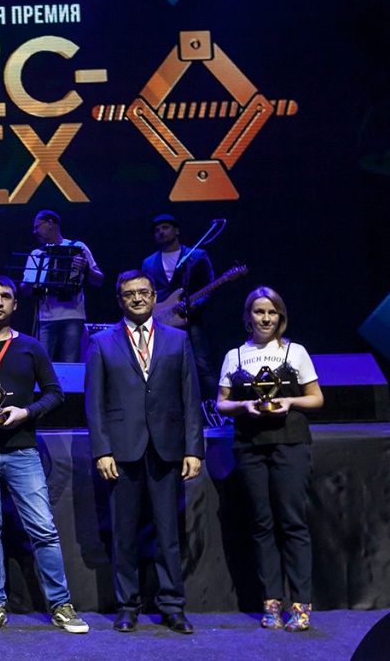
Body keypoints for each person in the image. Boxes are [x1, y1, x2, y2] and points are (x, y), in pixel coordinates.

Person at [0, 275, 89, 634]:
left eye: (5, 296)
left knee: (43, 528)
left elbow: (55, 394)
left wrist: (26, 412)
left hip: (22, 449)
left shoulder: (31, 347)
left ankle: (61, 604)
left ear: (15, 304)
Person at [84, 270, 204, 634]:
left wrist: (194, 449)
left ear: (154, 296)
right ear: (119, 300)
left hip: (167, 447)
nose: (137, 298)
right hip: (122, 450)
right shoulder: (102, 342)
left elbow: (190, 396)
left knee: (168, 532)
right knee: (124, 533)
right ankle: (127, 605)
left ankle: (172, 606)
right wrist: (102, 450)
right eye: (129, 294)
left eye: (143, 292)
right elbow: (94, 403)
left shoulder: (178, 339)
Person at [215, 287, 323, 632]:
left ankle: (300, 605)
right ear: (248, 316)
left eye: (272, 312)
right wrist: (243, 406)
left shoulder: (295, 351)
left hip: (290, 444)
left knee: (292, 523)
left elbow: (316, 398)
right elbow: (221, 403)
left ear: (280, 316)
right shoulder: (234, 355)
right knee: (262, 525)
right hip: (250, 446)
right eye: (259, 312)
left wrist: (290, 402)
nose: (265, 318)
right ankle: (271, 604)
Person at [141, 214, 218, 402]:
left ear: (176, 230)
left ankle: (219, 408)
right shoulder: (148, 263)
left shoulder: (196, 256)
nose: (161, 232)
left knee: (201, 364)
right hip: (161, 321)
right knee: (162, 367)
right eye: (157, 230)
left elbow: (209, 286)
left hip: (191, 320)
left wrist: (195, 306)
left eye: (165, 228)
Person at [20, 210, 103, 363]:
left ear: (50, 223)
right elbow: (25, 290)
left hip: (73, 317)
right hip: (45, 318)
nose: (34, 232)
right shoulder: (37, 254)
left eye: (37, 227)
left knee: (70, 365)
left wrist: (86, 268)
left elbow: (99, 280)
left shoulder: (78, 247)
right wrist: (32, 281)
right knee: (42, 365)